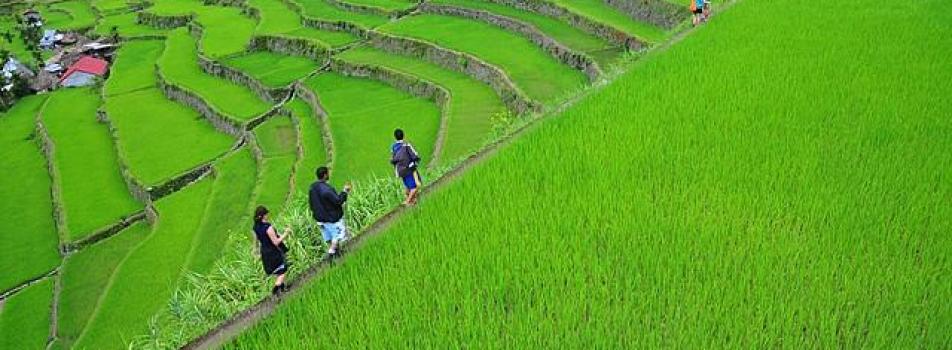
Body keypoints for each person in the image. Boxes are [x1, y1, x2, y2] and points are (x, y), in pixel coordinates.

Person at [309, 166, 351, 257]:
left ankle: (337, 255)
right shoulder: (327, 189)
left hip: (319, 219)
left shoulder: (312, 188)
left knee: (329, 238)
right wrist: (345, 191)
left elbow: (311, 203)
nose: (329, 174)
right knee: (336, 237)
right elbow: (338, 201)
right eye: (328, 173)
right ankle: (331, 254)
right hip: (330, 219)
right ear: (325, 175)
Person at [252, 206, 290, 295]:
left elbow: (255, 242)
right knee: (283, 270)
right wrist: (286, 233)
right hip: (273, 252)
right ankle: (276, 287)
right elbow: (276, 242)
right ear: (264, 215)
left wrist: (255, 252)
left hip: (264, 252)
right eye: (266, 214)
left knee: (277, 271)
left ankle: (282, 288)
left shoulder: (255, 228)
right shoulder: (268, 227)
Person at [390, 128, 422, 206]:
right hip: (408, 169)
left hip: (400, 171)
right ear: (403, 136)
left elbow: (392, 159)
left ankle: (413, 200)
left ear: (395, 137)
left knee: (408, 186)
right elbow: (415, 155)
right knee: (415, 186)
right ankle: (407, 201)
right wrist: (416, 161)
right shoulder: (406, 145)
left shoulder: (393, 147)